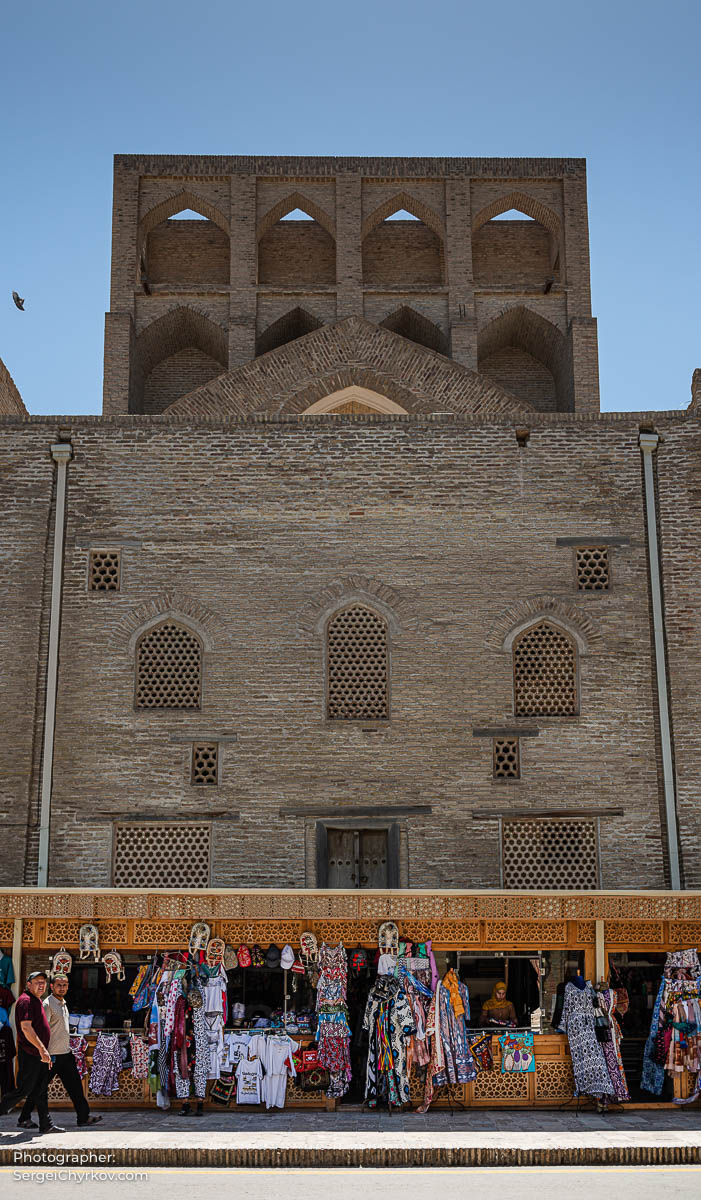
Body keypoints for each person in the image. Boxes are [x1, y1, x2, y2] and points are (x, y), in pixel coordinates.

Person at [18, 974, 101, 1129]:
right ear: (52, 987)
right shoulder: (47, 1004)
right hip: (51, 1055)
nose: (62, 988)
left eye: (64, 985)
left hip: (65, 1054)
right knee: (38, 1089)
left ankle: (83, 1117)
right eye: (59, 985)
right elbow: (40, 1029)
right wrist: (43, 1052)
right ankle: (24, 1118)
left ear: (68, 986)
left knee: (75, 1087)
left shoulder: (63, 1003)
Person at [0, 971, 63, 1134]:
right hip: (30, 1053)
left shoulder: (36, 1000)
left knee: (40, 1089)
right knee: (23, 1090)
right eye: (37, 982)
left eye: (43, 982)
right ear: (28, 984)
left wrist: (44, 1051)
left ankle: (45, 1124)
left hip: (38, 1054)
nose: (41, 985)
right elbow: (26, 1028)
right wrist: (42, 1050)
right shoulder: (25, 1001)